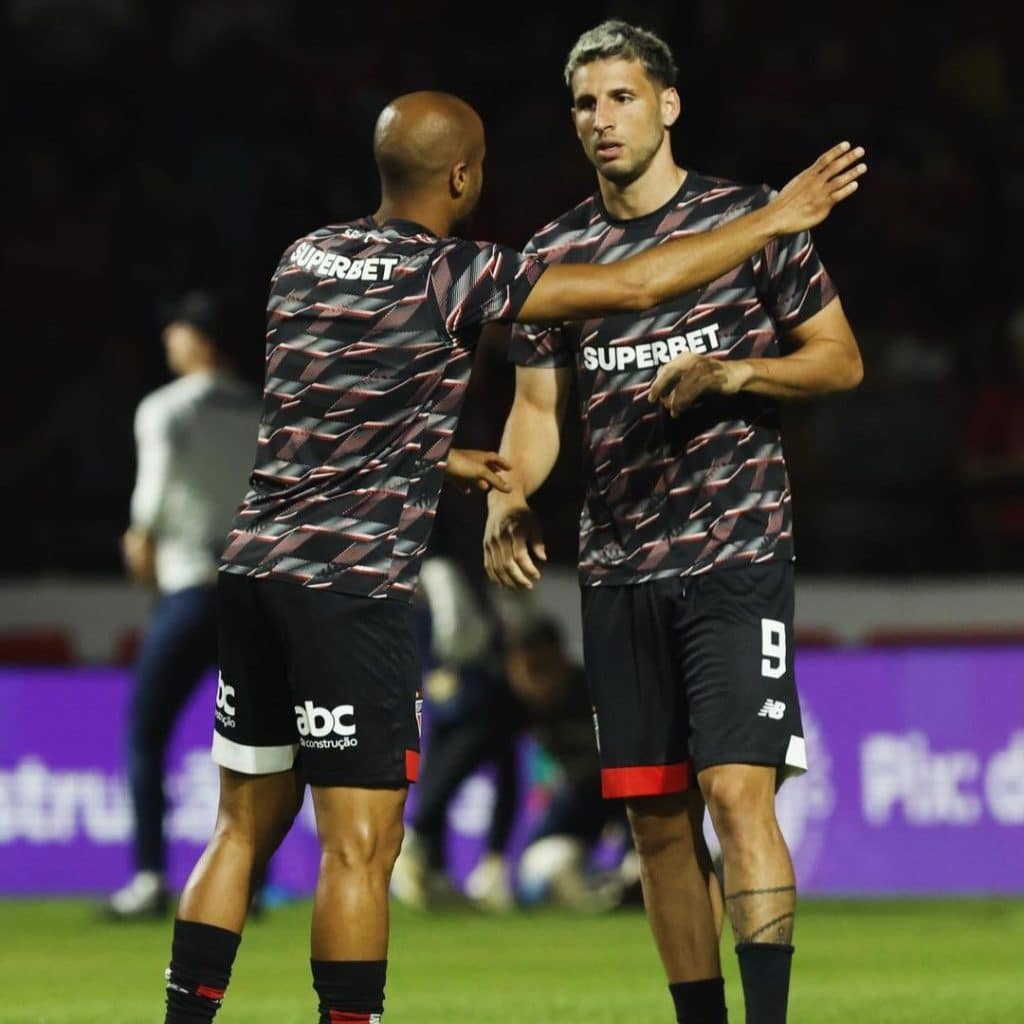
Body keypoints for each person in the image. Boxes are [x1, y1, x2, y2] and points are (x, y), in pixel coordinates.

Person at [155, 86, 864, 1024]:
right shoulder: (454, 272)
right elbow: (638, 286)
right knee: (360, 849)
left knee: (240, 830)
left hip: (252, 570)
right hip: (349, 586)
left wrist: (438, 455)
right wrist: (777, 217)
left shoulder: (304, 256)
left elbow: (324, 407)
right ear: (460, 175)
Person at [483, 21, 865, 1024]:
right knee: (656, 820)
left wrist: (738, 370)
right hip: (617, 567)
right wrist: (507, 494)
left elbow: (837, 357)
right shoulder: (552, 256)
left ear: (667, 103)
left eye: (619, 97)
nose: (601, 120)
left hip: (736, 551)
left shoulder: (754, 222)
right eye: (583, 104)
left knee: (739, 794)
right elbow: (533, 412)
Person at [102, 290, 263, 920]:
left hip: (190, 585)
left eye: (176, 330)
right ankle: (248, 883)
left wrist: (143, 557)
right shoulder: (259, 407)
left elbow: (148, 508)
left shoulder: (166, 409)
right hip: (248, 591)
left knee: (145, 731)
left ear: (199, 339)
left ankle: (148, 878)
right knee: (255, 742)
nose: (169, 338)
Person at [390, 553, 527, 912]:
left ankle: (440, 860)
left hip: (467, 679)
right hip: (463, 678)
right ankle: (420, 844)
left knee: (483, 764)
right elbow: (455, 628)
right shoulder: (443, 567)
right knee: (453, 762)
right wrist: (448, 663)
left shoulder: (474, 567)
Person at [502, 614, 633, 912]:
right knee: (534, 873)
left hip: (625, 789)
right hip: (578, 794)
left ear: (559, 657)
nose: (530, 679)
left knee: (645, 867)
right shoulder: (513, 703)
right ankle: (586, 888)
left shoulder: (597, 690)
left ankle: (625, 880)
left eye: (538, 668)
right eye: (520, 670)